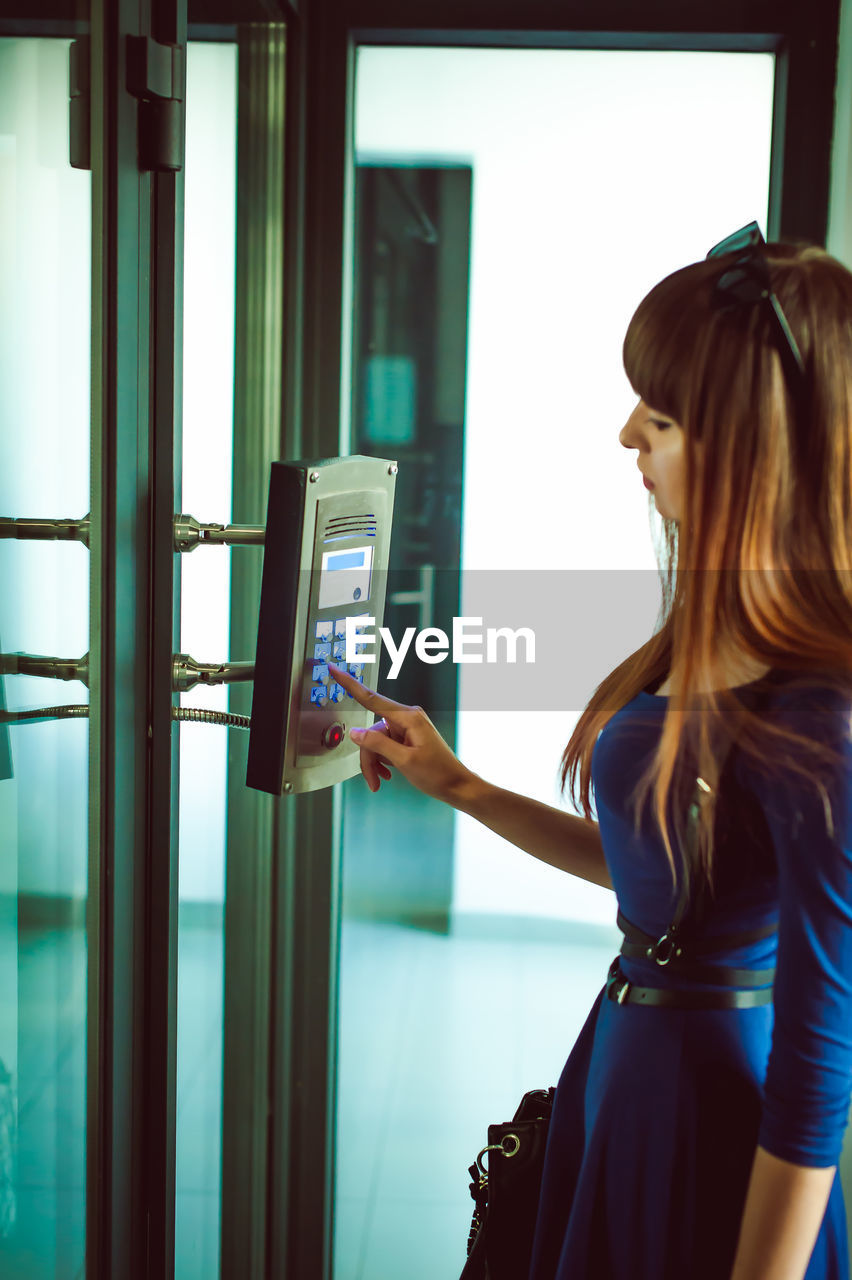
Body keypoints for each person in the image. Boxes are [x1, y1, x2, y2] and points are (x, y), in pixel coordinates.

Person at [327, 223, 852, 1280]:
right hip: (630, 1060)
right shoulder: (705, 627)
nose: (626, 435)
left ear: (754, 448)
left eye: (658, 417)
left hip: (713, 1116)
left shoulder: (820, 713)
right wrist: (459, 782)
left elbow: (820, 1060)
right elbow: (662, 876)